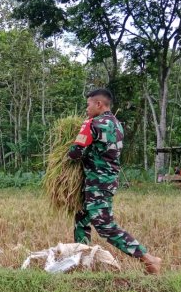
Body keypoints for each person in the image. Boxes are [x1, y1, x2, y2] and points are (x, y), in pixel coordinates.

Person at [67, 88, 162, 274]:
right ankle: (81, 263)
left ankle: (148, 258)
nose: (86, 109)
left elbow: (75, 153)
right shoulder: (117, 124)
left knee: (104, 226)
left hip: (98, 184)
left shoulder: (93, 124)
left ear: (99, 104)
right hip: (106, 181)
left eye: (88, 105)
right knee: (81, 219)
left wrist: (77, 139)